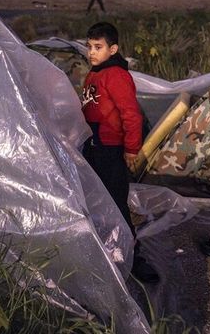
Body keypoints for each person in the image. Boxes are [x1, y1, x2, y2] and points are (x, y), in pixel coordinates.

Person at [80, 22, 158, 283]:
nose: (92, 52)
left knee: (116, 202)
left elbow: (131, 115)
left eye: (98, 47)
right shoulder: (95, 73)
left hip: (111, 149)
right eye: (89, 47)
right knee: (96, 201)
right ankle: (105, 249)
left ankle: (133, 256)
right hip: (94, 146)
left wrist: (131, 149)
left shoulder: (116, 75)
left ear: (113, 49)